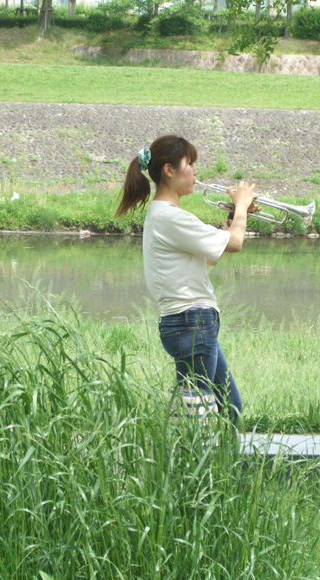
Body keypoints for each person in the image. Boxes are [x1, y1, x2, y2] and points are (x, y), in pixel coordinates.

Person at [116, 135, 257, 423]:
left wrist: (236, 214)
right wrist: (241, 206)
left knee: (229, 407)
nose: (195, 172)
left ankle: (218, 465)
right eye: (189, 164)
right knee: (196, 415)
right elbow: (235, 244)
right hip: (191, 323)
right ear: (169, 170)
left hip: (192, 323)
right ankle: (189, 464)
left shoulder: (169, 216)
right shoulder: (169, 217)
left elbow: (211, 255)